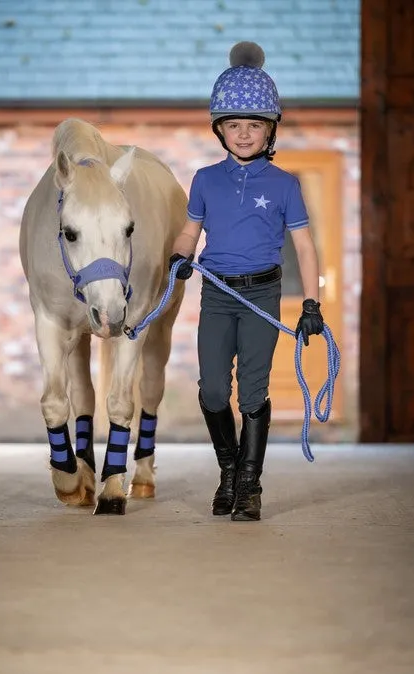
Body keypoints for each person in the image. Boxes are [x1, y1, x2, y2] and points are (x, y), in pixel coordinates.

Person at [169, 41, 324, 521]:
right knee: (214, 389)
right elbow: (191, 229)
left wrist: (311, 303)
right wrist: (179, 254)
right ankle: (229, 469)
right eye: (233, 125)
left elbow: (304, 246)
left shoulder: (284, 184)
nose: (243, 134)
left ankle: (250, 486)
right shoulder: (204, 179)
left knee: (252, 391)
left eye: (253, 125)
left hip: (262, 292)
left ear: (269, 130)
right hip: (217, 292)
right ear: (219, 130)